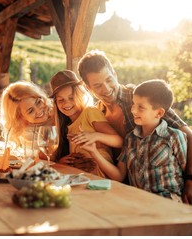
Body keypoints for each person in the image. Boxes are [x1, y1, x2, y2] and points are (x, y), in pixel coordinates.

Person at [77, 49, 192, 203]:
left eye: (109, 80)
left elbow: (189, 136)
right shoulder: (98, 114)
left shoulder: (141, 98)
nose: (106, 88)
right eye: (97, 86)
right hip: (129, 190)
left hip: (167, 193)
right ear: (88, 88)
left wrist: (190, 180)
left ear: (115, 74)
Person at [49, 70, 123, 177]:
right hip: (84, 177)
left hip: (101, 174)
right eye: (61, 100)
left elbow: (119, 141)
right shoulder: (66, 126)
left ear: (80, 94)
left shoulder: (90, 113)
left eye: (71, 97)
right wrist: (64, 161)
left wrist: (95, 136)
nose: (66, 103)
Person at [0, 81, 54, 152]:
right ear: (20, 117)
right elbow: (45, 155)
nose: (38, 110)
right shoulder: (27, 132)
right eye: (31, 111)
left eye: (38, 102)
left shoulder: (59, 107)